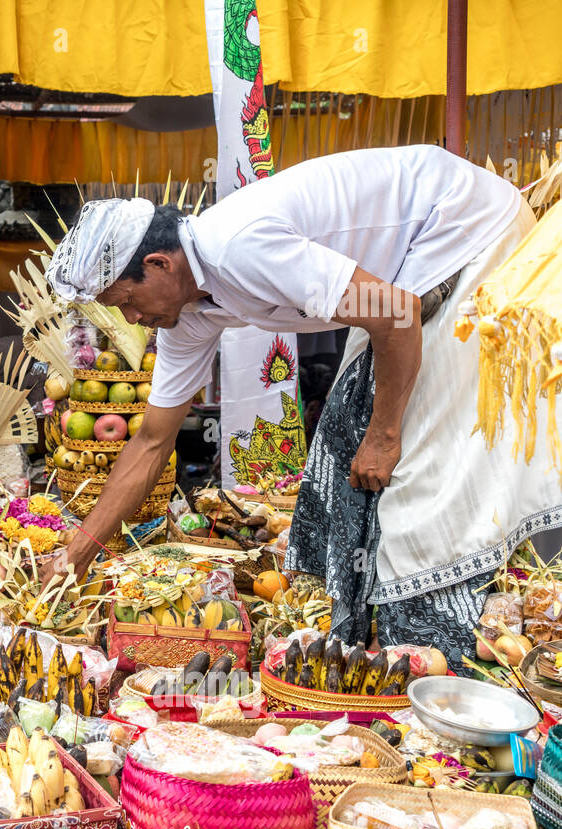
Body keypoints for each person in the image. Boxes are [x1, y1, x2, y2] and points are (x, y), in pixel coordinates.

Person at [41, 145, 561, 666]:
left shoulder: (239, 250)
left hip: (467, 231)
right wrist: (78, 550)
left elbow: (397, 316)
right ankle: (362, 637)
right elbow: (152, 442)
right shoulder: (186, 313)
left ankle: (446, 657)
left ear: (158, 265)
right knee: (340, 444)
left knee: (417, 468)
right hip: (405, 276)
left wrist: (384, 437)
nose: (131, 320)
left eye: (127, 302)